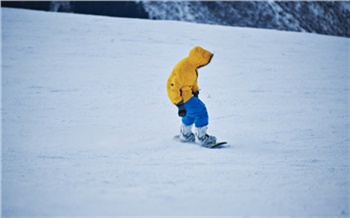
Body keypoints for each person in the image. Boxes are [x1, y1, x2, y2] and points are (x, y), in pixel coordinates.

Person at [167, 46, 216, 146]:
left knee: (190, 114)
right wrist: (180, 105)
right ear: (199, 59)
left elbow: (192, 80)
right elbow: (174, 87)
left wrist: (195, 91)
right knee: (201, 111)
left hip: (187, 93)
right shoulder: (183, 68)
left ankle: (185, 135)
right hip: (181, 96)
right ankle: (202, 138)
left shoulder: (191, 66)